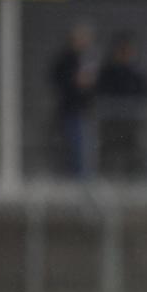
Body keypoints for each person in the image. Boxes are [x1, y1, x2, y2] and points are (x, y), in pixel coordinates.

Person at [96, 31, 147, 177]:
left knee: (132, 155)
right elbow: (101, 90)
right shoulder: (108, 71)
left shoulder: (136, 71)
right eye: (124, 50)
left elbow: (145, 91)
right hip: (111, 122)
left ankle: (132, 183)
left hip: (130, 122)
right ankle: (105, 183)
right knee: (108, 154)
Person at [49, 23, 97, 178]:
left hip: (84, 110)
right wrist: (75, 81)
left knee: (85, 147)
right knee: (74, 146)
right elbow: (58, 80)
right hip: (70, 109)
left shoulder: (86, 58)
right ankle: (75, 178)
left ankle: (82, 177)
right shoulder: (66, 59)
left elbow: (92, 84)